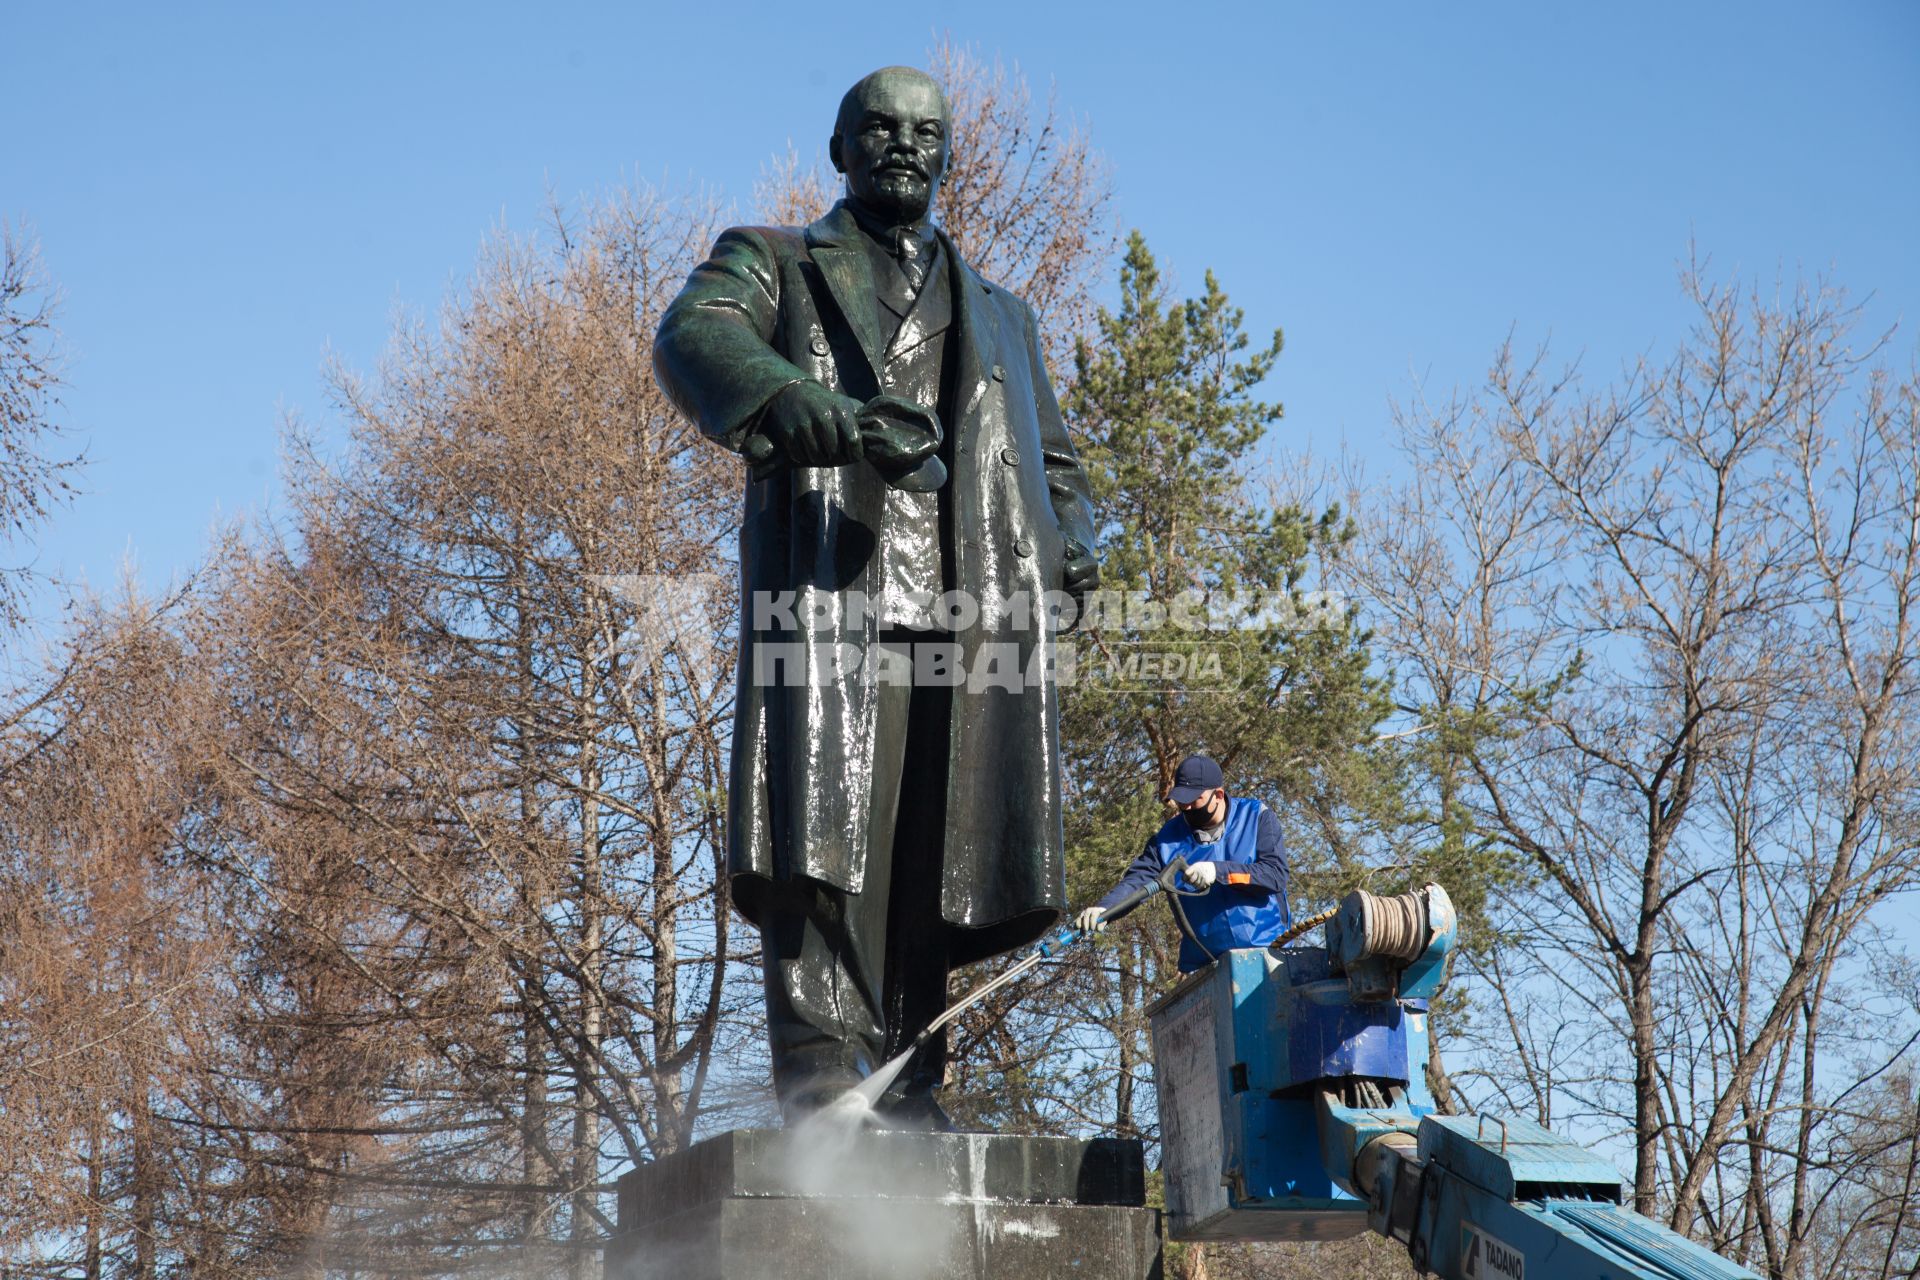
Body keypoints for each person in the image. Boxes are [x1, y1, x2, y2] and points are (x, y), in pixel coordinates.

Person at [653, 66, 1098, 1127]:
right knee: (826, 830)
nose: (904, 145)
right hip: (832, 585)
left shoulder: (1005, 316)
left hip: (969, 600)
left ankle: (909, 1077)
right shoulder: (778, 262)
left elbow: (1058, 464)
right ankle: (822, 1061)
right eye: (880, 129)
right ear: (840, 148)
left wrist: (1073, 556)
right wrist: (792, 395)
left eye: (925, 132)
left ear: (949, 153)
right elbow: (691, 336)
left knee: (935, 847)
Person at [1076, 754, 1291, 973]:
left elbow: (1274, 875)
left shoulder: (1256, 817)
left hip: (1267, 954)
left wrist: (1218, 871)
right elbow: (1136, 882)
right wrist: (1105, 908)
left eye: (1194, 799)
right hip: (1207, 967)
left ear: (1217, 795)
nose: (1186, 808)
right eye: (1181, 800)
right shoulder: (1166, 839)